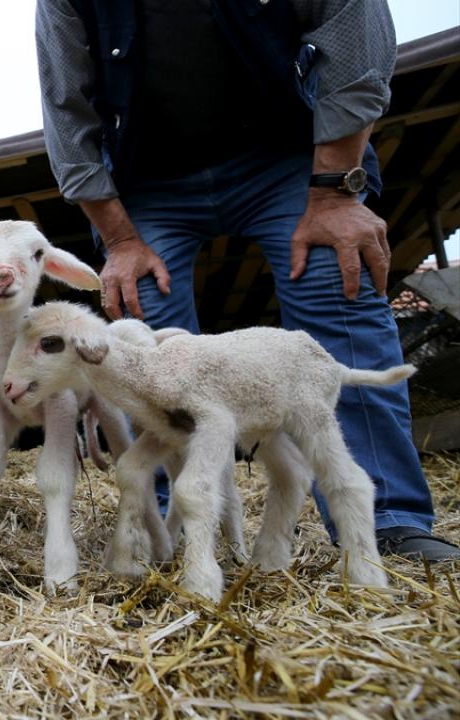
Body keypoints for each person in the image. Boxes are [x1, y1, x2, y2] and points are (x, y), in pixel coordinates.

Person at [36, 0, 458, 562]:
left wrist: (334, 192)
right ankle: (162, 530)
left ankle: (388, 524)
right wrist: (119, 242)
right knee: (141, 328)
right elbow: (67, 108)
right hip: (151, 175)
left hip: (285, 154)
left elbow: (353, 38)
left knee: (338, 280)